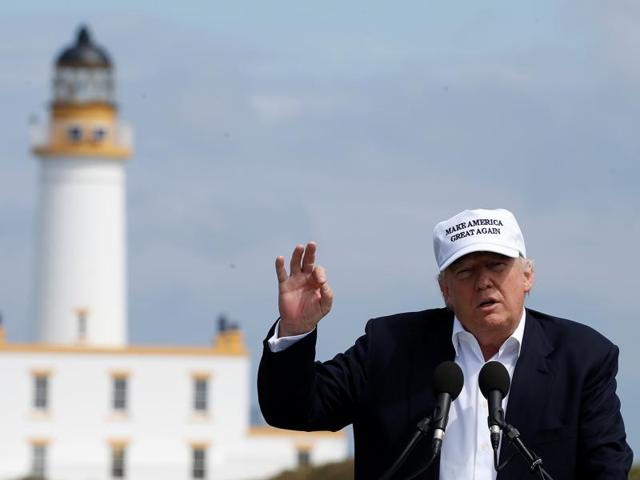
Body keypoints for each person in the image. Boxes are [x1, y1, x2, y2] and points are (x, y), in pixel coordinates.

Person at [258, 208, 633, 479]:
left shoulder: (583, 358)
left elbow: (607, 469)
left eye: (497, 266)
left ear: (528, 276)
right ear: (445, 290)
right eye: (466, 271)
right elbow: (294, 409)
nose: (484, 282)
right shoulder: (390, 346)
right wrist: (295, 330)